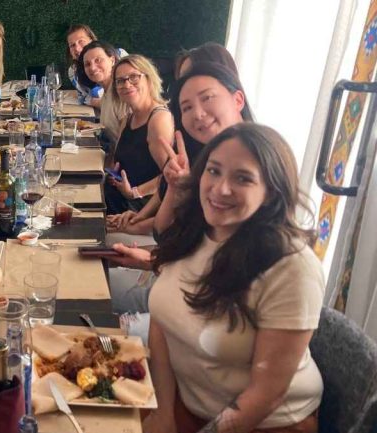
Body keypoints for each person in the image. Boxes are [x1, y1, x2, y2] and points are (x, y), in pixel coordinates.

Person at [143, 123, 323, 433]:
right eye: (213, 171)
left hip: (264, 423)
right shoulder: (195, 231)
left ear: (271, 193)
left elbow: (267, 394)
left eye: (243, 178)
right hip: (189, 403)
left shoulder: (292, 266)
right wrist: (161, 411)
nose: (221, 188)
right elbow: (161, 321)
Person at [107, 63, 254, 314]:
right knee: (81, 275)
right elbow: (165, 233)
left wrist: (154, 261)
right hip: (173, 283)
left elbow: (221, 273)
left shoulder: (255, 163)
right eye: (187, 107)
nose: (197, 114)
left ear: (237, 99)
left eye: (207, 98)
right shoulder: (205, 159)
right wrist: (175, 188)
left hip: (204, 311)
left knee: (90, 294)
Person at [105, 54, 174, 216]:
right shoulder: (128, 118)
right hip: (118, 198)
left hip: (142, 209)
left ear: (149, 80)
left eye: (134, 77)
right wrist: (114, 173)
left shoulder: (158, 119)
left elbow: (169, 175)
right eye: (120, 81)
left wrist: (135, 192)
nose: (127, 84)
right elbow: (118, 160)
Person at [76, 40, 126, 148]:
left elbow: (125, 142)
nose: (93, 68)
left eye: (98, 60)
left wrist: (109, 162)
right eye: (87, 64)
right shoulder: (107, 91)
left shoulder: (121, 92)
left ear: (112, 60)